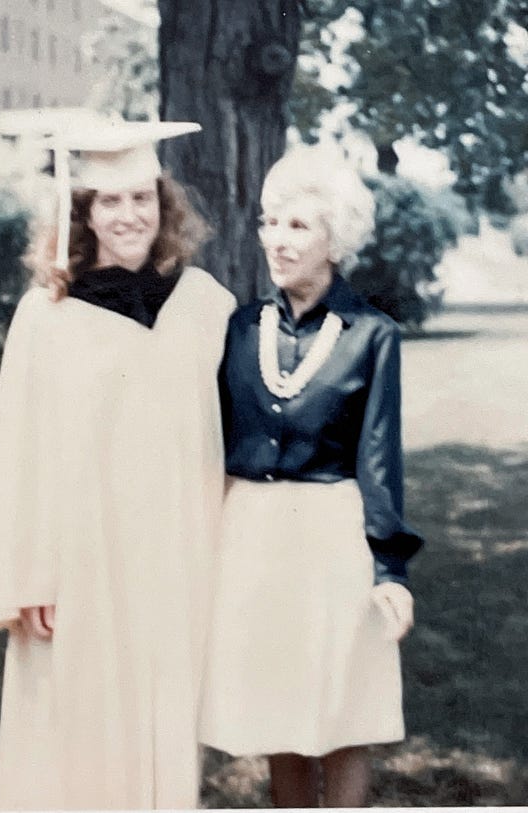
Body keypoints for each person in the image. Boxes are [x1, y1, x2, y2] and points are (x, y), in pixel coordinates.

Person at [0, 118, 236, 810]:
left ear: (164, 205)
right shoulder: (46, 317)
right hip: (79, 569)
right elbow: (18, 459)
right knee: (76, 740)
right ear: (82, 214)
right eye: (109, 201)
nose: (129, 215)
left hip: (180, 562)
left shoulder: (207, 305)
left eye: (142, 198)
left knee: (167, 729)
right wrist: (29, 576)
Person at [198, 143, 424, 807]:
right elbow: (207, 438)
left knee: (342, 710)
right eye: (271, 222)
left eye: (298, 225)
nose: (278, 239)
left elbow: (379, 456)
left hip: (332, 533)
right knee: (280, 713)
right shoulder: (239, 328)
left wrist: (390, 569)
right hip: (252, 533)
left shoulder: (371, 334)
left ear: (337, 238)